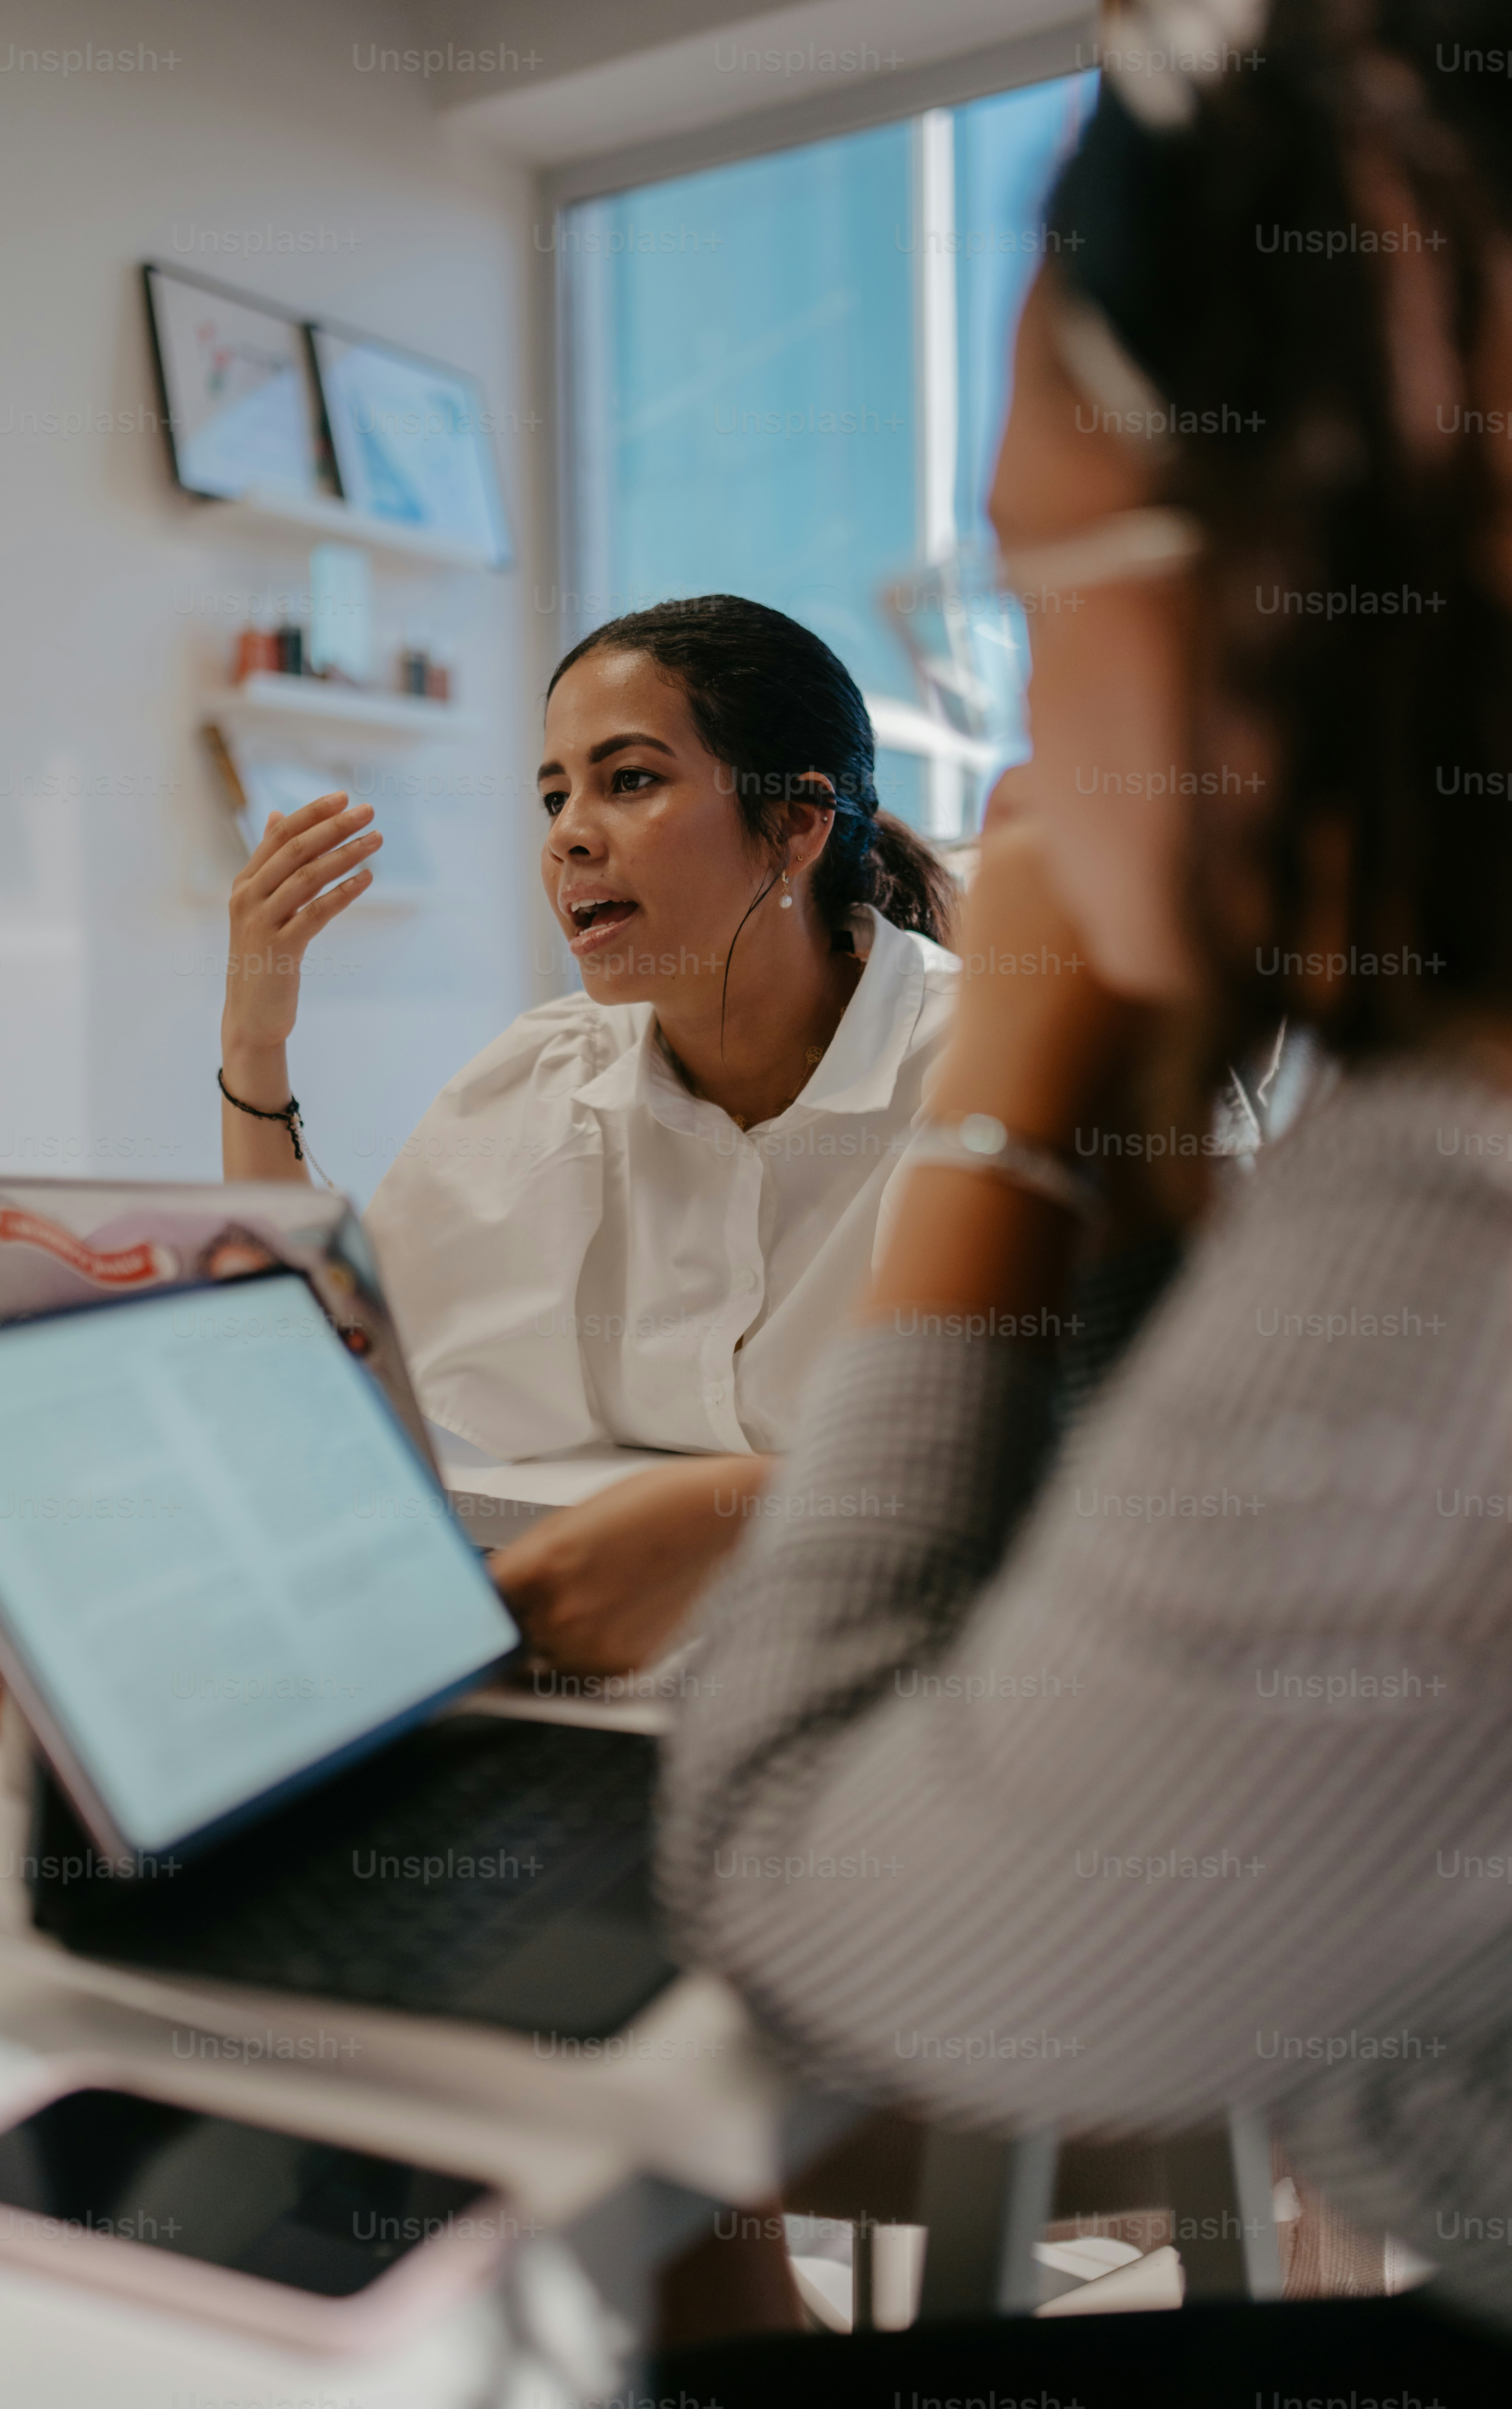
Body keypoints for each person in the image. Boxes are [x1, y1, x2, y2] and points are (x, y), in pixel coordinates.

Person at [656, 0, 1512, 2396]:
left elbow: (825, 1921)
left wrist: (1010, 1090)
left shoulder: (1445, 1252)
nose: (1028, 716)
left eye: (1037, 584)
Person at [217, 597, 957, 1667]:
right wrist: (255, 1044)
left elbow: (1046, 1471)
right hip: (618, 1678)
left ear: (796, 824)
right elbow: (327, 1366)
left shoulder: (987, 1067)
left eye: (632, 781)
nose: (568, 834)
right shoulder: (546, 1073)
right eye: (554, 794)